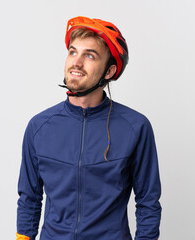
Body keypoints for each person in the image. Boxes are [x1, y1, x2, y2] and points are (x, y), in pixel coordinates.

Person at [16, 16, 162, 240]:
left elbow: (148, 201)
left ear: (109, 72)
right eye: (73, 52)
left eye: (90, 55)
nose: (76, 62)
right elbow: (29, 198)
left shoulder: (135, 127)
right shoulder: (39, 126)